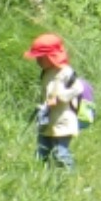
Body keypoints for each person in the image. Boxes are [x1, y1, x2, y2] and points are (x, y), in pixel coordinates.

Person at [25, 33, 80, 170]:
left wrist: (61, 97)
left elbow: (78, 89)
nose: (37, 61)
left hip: (63, 119)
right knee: (42, 150)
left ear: (51, 57)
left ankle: (70, 175)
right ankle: (41, 174)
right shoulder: (46, 73)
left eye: (40, 58)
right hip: (48, 119)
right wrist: (42, 107)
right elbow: (46, 95)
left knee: (60, 153)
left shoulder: (66, 72)